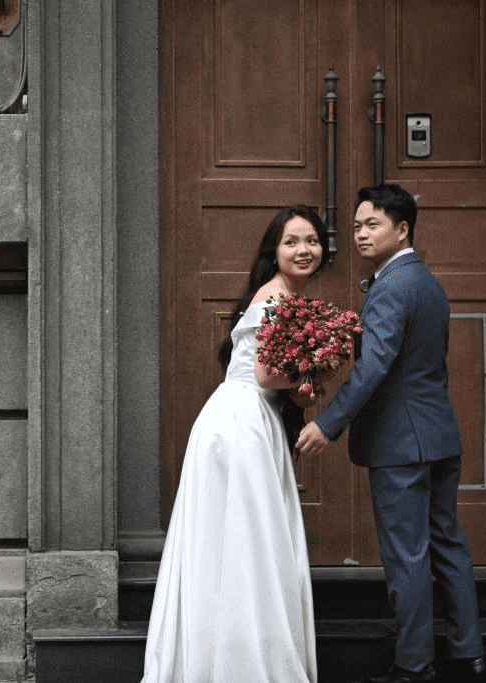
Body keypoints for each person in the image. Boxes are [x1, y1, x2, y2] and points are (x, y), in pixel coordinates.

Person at [295, 184, 486, 683]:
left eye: (371, 224)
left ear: (402, 229)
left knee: (407, 556)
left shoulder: (392, 286)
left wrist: (328, 422)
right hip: (439, 435)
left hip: (402, 446)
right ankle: (469, 657)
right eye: (357, 225)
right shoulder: (427, 282)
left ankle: (414, 665)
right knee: (447, 545)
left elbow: (374, 367)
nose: (360, 233)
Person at [141, 206, 328, 683]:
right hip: (242, 423)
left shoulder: (286, 296)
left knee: (235, 540)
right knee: (248, 540)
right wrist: (313, 373)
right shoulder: (277, 298)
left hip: (242, 417)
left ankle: (227, 653)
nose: (303, 250)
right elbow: (267, 374)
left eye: (311, 240)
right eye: (291, 241)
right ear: (274, 251)